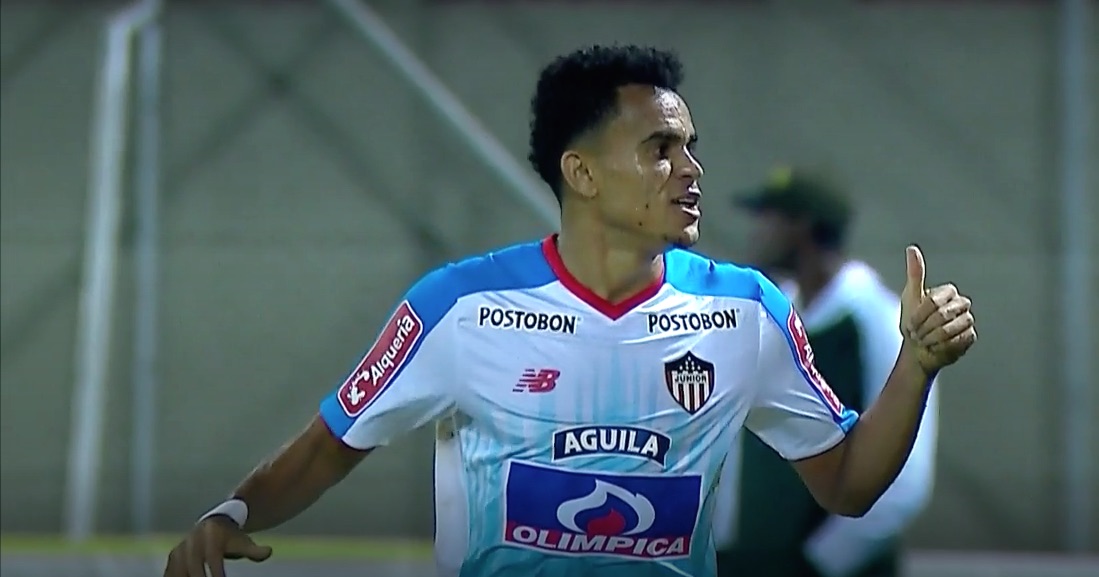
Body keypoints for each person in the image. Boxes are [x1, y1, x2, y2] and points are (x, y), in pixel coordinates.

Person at [162, 46, 976, 577]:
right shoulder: (460, 306)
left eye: (690, 145)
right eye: (660, 148)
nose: (688, 168)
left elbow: (848, 484)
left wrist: (915, 364)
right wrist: (229, 512)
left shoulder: (746, 310)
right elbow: (326, 449)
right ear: (581, 174)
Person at [713, 167, 939, 577]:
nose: (755, 231)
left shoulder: (878, 319)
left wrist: (819, 562)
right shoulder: (776, 316)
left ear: (802, 226)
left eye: (767, 217)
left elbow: (904, 479)